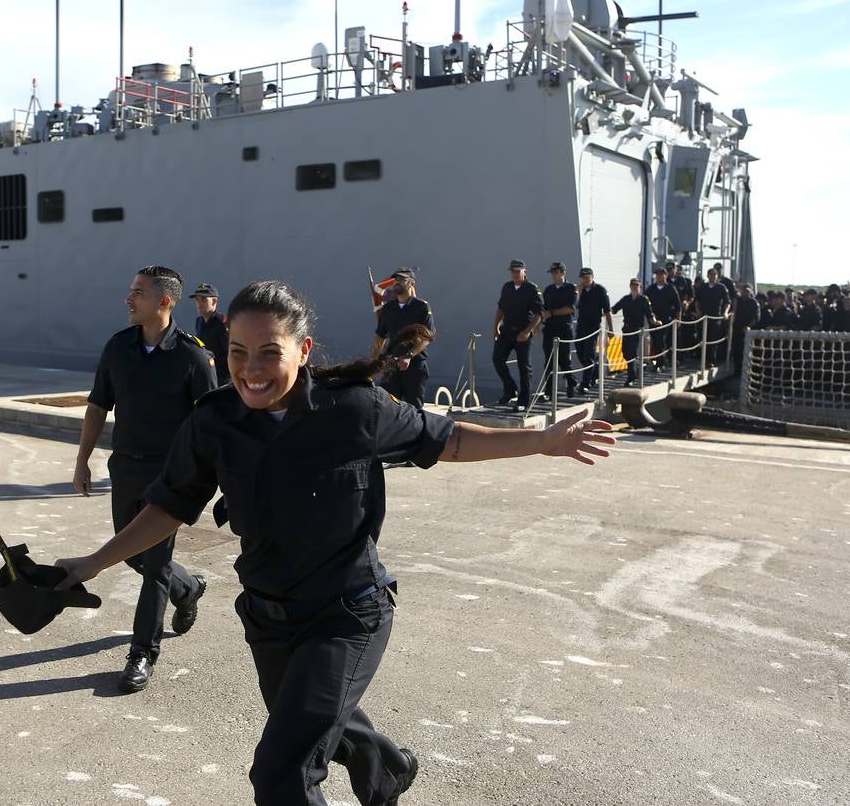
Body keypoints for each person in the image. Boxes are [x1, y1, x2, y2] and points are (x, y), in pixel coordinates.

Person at [53, 279, 615, 806]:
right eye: (238, 353)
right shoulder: (213, 423)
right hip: (268, 617)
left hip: (347, 614)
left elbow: (450, 440)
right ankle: (387, 768)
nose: (251, 370)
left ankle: (375, 768)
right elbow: (169, 507)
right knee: (322, 722)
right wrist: (94, 563)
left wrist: (544, 440)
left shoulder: (354, 410)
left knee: (283, 771)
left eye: (269, 352)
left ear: (303, 349)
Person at [73, 265, 216, 693]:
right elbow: (98, 406)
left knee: (153, 565)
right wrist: (83, 460)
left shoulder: (194, 356)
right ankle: (187, 587)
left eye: (137, 292)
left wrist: (204, 476)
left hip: (169, 475)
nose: (128, 299)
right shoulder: (118, 348)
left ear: (163, 301)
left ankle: (142, 653)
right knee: (129, 552)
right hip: (126, 468)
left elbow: (210, 423)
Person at [372, 268, 435, 408]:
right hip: (391, 365)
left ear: (411, 283)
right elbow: (380, 336)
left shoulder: (421, 307)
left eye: (402, 279)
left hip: (414, 366)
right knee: (387, 407)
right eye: (396, 279)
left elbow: (427, 337)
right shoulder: (388, 308)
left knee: (414, 409)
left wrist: (409, 355)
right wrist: (374, 361)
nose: (397, 282)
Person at [492, 259, 543, 409]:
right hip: (507, 330)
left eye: (517, 271)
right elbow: (501, 308)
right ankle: (510, 389)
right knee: (497, 359)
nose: (514, 274)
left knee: (524, 367)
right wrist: (496, 327)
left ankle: (523, 401)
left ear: (524, 272)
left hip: (523, 331)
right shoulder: (507, 287)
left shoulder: (532, 289)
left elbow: (539, 314)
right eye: (512, 271)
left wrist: (527, 332)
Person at [539, 262, 578, 399]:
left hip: (564, 328)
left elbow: (570, 308)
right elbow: (543, 308)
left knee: (564, 360)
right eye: (552, 273)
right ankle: (548, 392)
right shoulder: (548, 290)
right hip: (550, 328)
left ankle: (571, 383)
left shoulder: (571, 288)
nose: (553, 275)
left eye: (556, 272)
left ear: (563, 273)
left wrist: (552, 313)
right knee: (549, 361)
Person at [611, 278, 658, 385]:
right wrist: (604, 312)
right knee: (625, 352)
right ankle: (635, 368)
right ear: (630, 286)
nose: (634, 287)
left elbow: (649, 314)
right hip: (627, 329)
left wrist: (655, 322)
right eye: (633, 285)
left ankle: (631, 378)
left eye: (637, 285)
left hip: (637, 330)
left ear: (640, 287)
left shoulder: (643, 299)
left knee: (631, 352)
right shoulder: (626, 299)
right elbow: (614, 309)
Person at [574, 267, 612, 394]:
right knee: (580, 352)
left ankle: (586, 383)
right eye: (583, 277)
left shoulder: (600, 290)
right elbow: (574, 307)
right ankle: (595, 370)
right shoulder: (580, 290)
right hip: (581, 326)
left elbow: (607, 311)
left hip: (593, 326)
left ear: (592, 277)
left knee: (588, 354)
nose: (585, 280)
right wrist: (577, 294)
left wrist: (610, 330)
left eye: (587, 277)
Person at [191, 283, 230, 384]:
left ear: (214, 301)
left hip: (223, 379)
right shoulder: (199, 321)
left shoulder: (222, 323)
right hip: (207, 376)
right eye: (197, 300)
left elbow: (230, 352)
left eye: (203, 299)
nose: (199, 303)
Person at [646, 266, 681, 367]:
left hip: (666, 319)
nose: (658, 276)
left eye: (661, 274)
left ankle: (660, 364)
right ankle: (661, 360)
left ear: (665, 275)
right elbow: (645, 301)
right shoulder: (651, 289)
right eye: (657, 274)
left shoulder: (670, 288)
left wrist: (678, 319)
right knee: (655, 340)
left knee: (661, 340)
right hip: (653, 319)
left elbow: (678, 305)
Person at [695, 267, 731, 364]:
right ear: (708, 276)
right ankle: (702, 359)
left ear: (717, 276)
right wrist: (698, 311)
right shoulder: (702, 287)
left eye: (714, 275)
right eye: (711, 274)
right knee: (702, 337)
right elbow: (697, 300)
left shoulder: (721, 287)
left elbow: (727, 302)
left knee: (713, 339)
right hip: (703, 316)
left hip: (715, 317)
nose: (712, 277)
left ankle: (711, 360)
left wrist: (725, 312)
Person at [730, 284, 760, 376]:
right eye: (744, 290)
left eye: (747, 291)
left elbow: (756, 318)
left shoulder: (754, 303)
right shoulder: (737, 301)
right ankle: (737, 371)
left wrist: (749, 326)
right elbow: (732, 313)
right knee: (736, 351)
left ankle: (746, 373)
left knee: (746, 352)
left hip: (747, 331)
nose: (745, 292)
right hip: (736, 329)